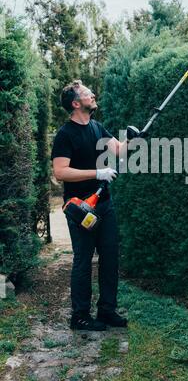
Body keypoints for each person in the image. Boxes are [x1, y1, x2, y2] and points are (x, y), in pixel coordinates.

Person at [51, 80, 139, 331]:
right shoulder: (65, 135)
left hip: (104, 204)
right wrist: (97, 173)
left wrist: (134, 139)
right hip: (79, 208)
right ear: (76, 103)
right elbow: (60, 172)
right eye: (87, 93)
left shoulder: (97, 127)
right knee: (83, 259)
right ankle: (79, 316)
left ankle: (107, 310)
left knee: (110, 257)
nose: (93, 94)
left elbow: (120, 151)